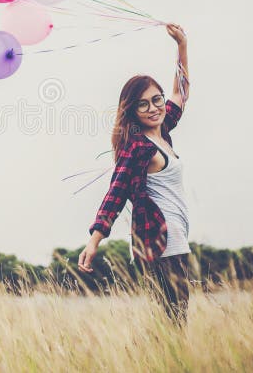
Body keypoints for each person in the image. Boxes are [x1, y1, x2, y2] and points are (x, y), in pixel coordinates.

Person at [77, 23, 191, 328]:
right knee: (174, 317)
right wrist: (94, 241)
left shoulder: (162, 131)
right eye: (143, 104)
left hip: (175, 238)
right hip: (160, 239)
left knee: (176, 317)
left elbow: (181, 92)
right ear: (132, 110)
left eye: (156, 99)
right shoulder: (138, 147)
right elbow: (116, 193)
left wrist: (181, 46)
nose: (153, 107)